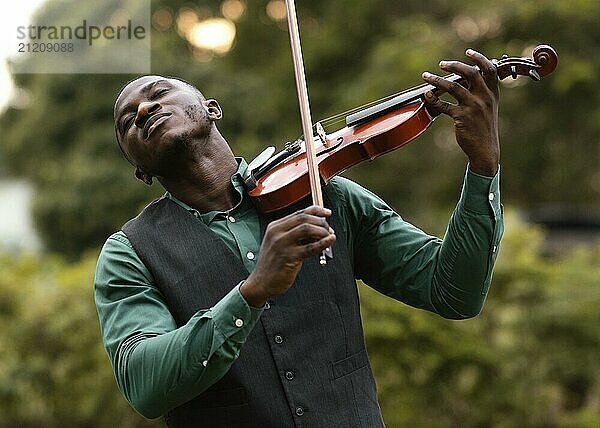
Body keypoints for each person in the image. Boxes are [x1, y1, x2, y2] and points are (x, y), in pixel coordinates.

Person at [95, 49, 504, 427]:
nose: (145, 108)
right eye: (127, 120)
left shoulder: (325, 192)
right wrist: (250, 293)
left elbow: (454, 292)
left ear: (211, 109)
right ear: (140, 170)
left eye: (159, 93)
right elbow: (145, 385)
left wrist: (483, 168)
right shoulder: (129, 253)